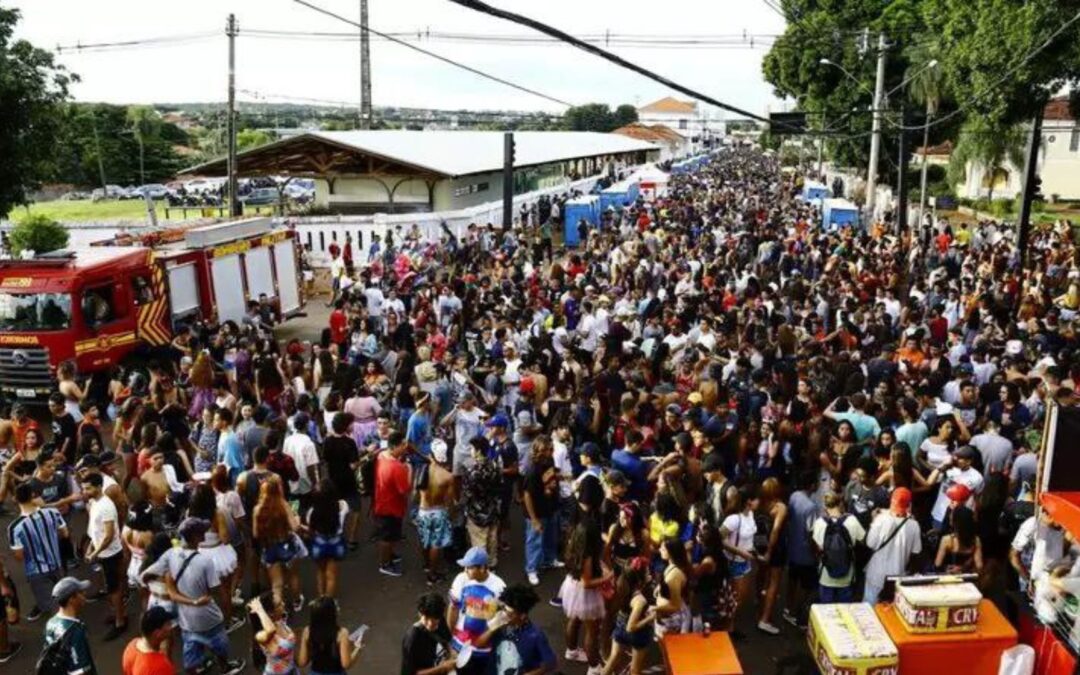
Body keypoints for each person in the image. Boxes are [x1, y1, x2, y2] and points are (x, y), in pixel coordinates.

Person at [140, 517, 246, 675]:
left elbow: (145, 575)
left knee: (191, 654)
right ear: (195, 537)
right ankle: (225, 667)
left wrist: (158, 585)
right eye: (201, 530)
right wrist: (227, 614)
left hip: (187, 621)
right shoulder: (205, 561)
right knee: (220, 645)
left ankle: (198, 668)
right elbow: (219, 591)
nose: (205, 532)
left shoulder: (170, 554)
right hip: (209, 617)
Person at [8, 481, 69, 621]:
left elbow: (19, 556)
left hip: (36, 571)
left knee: (51, 606)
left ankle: (61, 634)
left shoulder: (14, 527)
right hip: (57, 563)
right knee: (63, 595)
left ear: (15, 499)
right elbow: (65, 534)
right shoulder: (52, 512)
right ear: (33, 495)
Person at [80, 471, 127, 640]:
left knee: (114, 589)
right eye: (83, 488)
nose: (85, 491)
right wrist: (91, 546)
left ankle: (120, 622)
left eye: (88, 488)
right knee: (111, 588)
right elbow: (96, 530)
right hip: (103, 552)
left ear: (99, 487)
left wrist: (95, 553)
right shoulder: (94, 502)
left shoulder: (106, 506)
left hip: (111, 554)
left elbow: (108, 535)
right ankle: (117, 614)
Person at [471, 583, 557, 675]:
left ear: (522, 616)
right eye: (504, 609)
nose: (504, 614)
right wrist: (492, 629)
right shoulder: (500, 625)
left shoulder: (536, 635)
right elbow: (478, 644)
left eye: (509, 613)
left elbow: (551, 664)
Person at [448, 546, 506, 675]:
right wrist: (450, 638)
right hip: (459, 642)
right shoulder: (461, 579)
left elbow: (502, 617)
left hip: (484, 648)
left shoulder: (499, 586)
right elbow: (453, 608)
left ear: (482, 568)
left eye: (469, 567)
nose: (465, 570)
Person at [864, 488, 922, 604]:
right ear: (909, 505)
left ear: (891, 501)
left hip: (876, 573)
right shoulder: (914, 525)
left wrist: (873, 521)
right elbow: (916, 551)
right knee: (890, 611)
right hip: (897, 576)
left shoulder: (880, 519)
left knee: (869, 607)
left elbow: (870, 543)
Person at [601, 557, 654, 675]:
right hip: (637, 634)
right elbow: (631, 627)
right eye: (647, 571)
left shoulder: (621, 583)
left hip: (620, 625)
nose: (649, 573)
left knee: (613, 658)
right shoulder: (639, 600)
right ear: (639, 578)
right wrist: (651, 617)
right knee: (635, 669)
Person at [811, 492, 866, 603]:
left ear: (825, 506)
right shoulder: (852, 520)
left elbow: (817, 547)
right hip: (847, 577)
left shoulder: (819, 523)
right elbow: (863, 540)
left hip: (826, 575)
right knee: (845, 612)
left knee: (826, 611)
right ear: (840, 503)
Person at [374, 430, 413, 577]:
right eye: (403, 445)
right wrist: (409, 470)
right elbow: (405, 490)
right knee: (387, 537)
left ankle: (390, 555)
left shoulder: (381, 455)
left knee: (389, 535)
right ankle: (385, 564)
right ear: (395, 446)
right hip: (390, 508)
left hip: (382, 502)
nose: (405, 448)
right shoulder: (397, 468)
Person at [417, 440, 456, 585]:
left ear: (431, 455)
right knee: (435, 544)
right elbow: (449, 500)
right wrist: (451, 515)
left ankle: (426, 565)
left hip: (423, 510)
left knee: (424, 540)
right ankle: (432, 575)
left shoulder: (422, 470)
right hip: (438, 511)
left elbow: (415, 494)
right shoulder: (447, 476)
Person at [297, 596, 365, 675]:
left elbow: (302, 662)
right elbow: (346, 664)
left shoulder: (307, 631)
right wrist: (357, 649)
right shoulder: (341, 633)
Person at [43, 577, 97, 675]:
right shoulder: (75, 631)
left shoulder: (50, 623)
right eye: (80, 592)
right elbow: (79, 672)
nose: (84, 593)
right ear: (71, 599)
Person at [401, 592, 456, 675]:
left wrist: (452, 653)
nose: (430, 623)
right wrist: (442, 668)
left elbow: (447, 640)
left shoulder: (441, 621)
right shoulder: (412, 638)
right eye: (426, 618)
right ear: (420, 614)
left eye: (434, 619)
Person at [249, 592, 297, 675]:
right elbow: (271, 630)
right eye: (279, 604)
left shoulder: (281, 621)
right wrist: (260, 609)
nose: (283, 604)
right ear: (270, 613)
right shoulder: (260, 635)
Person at [121, 606, 177, 675]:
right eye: (168, 624)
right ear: (157, 633)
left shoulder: (131, 646)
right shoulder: (161, 666)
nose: (171, 627)